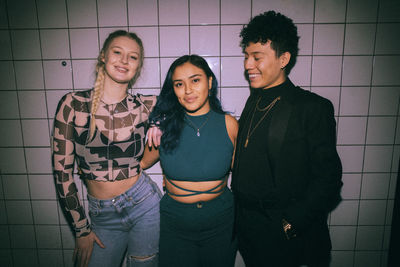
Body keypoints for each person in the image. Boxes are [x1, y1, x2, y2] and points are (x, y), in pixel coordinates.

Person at [231, 11, 343, 267]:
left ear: (283, 59)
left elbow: (329, 178)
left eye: (257, 57)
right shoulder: (254, 99)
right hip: (247, 228)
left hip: (281, 230)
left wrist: (292, 222)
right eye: (247, 56)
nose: (248, 65)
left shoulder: (311, 107)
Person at [52, 30, 161, 267]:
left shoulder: (147, 105)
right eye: (117, 52)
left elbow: (183, 105)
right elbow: (62, 174)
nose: (124, 61)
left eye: (133, 57)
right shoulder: (73, 105)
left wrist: (159, 124)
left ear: (138, 66)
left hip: (145, 205)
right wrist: (81, 230)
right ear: (103, 56)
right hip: (101, 216)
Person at [141, 54, 238, 267]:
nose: (187, 90)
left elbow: (244, 173)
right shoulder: (163, 127)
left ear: (210, 82)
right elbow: (141, 164)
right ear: (173, 90)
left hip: (221, 219)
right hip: (175, 222)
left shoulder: (229, 124)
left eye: (195, 80)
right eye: (179, 84)